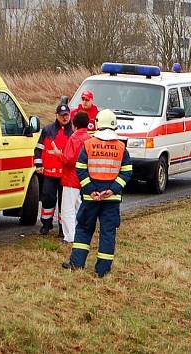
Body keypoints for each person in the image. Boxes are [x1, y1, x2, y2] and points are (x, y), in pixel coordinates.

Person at [62, 109, 132, 277]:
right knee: (108, 232)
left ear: (98, 124)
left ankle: (76, 263)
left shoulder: (89, 144)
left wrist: (91, 190)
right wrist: (112, 189)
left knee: (84, 229)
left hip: (90, 197)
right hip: (111, 199)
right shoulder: (121, 147)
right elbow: (127, 171)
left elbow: (80, 169)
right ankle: (103, 270)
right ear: (114, 125)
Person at [34, 103, 73, 235]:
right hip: (50, 173)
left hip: (66, 174)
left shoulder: (73, 132)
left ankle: (63, 228)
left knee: (65, 202)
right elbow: (38, 149)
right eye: (62, 116)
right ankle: (46, 224)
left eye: (66, 115)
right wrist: (38, 165)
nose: (64, 118)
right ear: (56, 116)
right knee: (48, 198)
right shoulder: (47, 130)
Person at [54, 111, 92, 244]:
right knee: (79, 207)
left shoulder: (74, 138)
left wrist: (59, 154)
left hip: (71, 178)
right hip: (84, 177)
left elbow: (68, 159)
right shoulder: (89, 139)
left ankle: (70, 237)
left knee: (67, 209)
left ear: (74, 124)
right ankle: (81, 232)